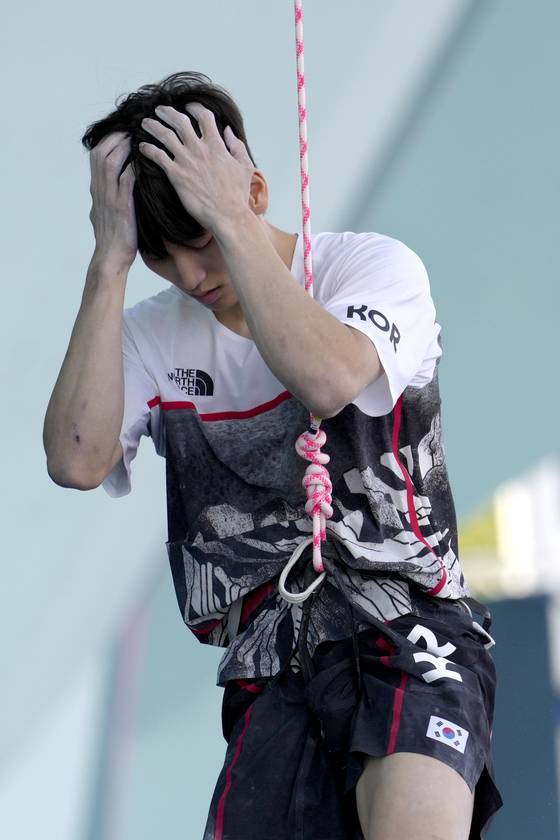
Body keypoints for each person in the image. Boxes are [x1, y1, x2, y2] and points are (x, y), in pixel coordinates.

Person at [43, 71, 503, 839]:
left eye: (198, 243)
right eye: (165, 258)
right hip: (271, 665)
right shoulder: (153, 334)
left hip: (411, 627)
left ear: (254, 190)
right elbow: (76, 459)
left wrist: (229, 221)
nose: (193, 275)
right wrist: (110, 265)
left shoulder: (372, 270)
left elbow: (326, 379)